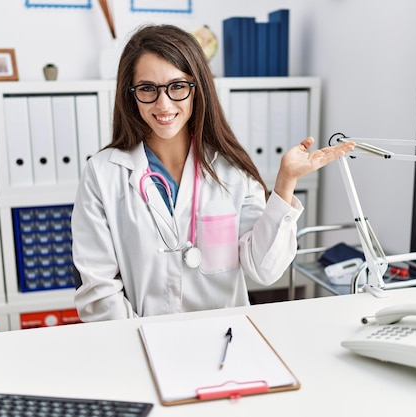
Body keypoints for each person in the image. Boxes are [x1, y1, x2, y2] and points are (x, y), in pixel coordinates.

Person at [71, 24, 354, 322]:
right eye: (147, 89)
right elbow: (98, 290)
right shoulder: (103, 173)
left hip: (225, 339)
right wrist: (142, 340)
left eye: (178, 86)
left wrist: (285, 184)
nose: (163, 104)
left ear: (198, 89)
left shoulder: (231, 168)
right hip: (140, 341)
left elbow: (265, 269)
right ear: (131, 94)